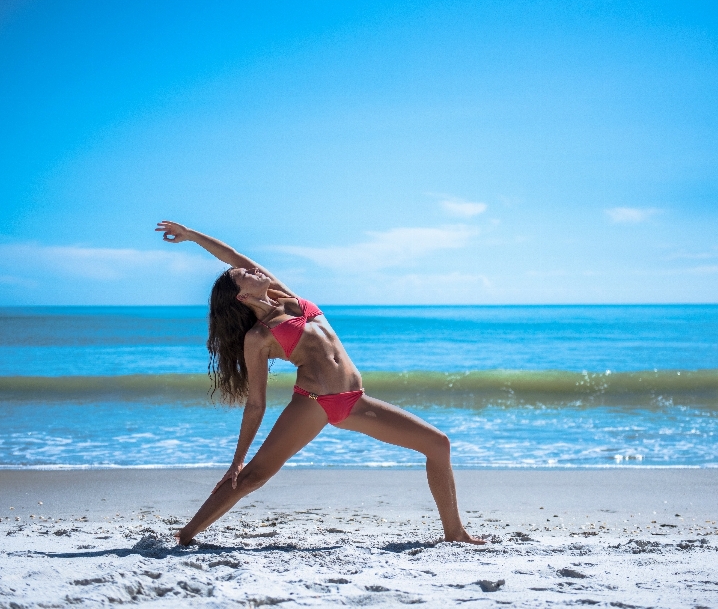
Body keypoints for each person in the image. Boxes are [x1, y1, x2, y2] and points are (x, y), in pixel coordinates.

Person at [156, 221, 483, 546]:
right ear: (241, 298)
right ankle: (186, 534)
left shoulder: (285, 298)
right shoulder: (258, 337)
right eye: (246, 276)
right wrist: (236, 459)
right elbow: (256, 403)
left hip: (355, 401)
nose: (254, 272)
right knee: (252, 476)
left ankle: (454, 532)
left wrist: (190, 235)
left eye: (250, 271)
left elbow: (232, 255)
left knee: (438, 445)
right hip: (312, 403)